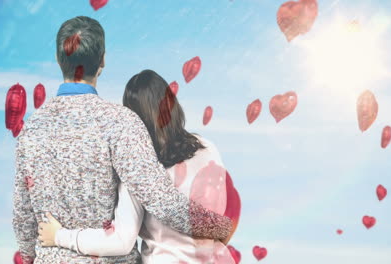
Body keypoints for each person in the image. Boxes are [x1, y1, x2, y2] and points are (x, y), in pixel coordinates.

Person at [12, 16, 232, 264]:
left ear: (58, 59)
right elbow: (162, 201)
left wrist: (30, 256)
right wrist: (221, 227)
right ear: (103, 60)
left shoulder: (30, 129)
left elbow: (23, 214)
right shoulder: (121, 122)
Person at [38, 70, 237, 264]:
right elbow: (228, 213)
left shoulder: (138, 168)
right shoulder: (207, 147)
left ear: (133, 119)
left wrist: (59, 236)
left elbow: (121, 241)